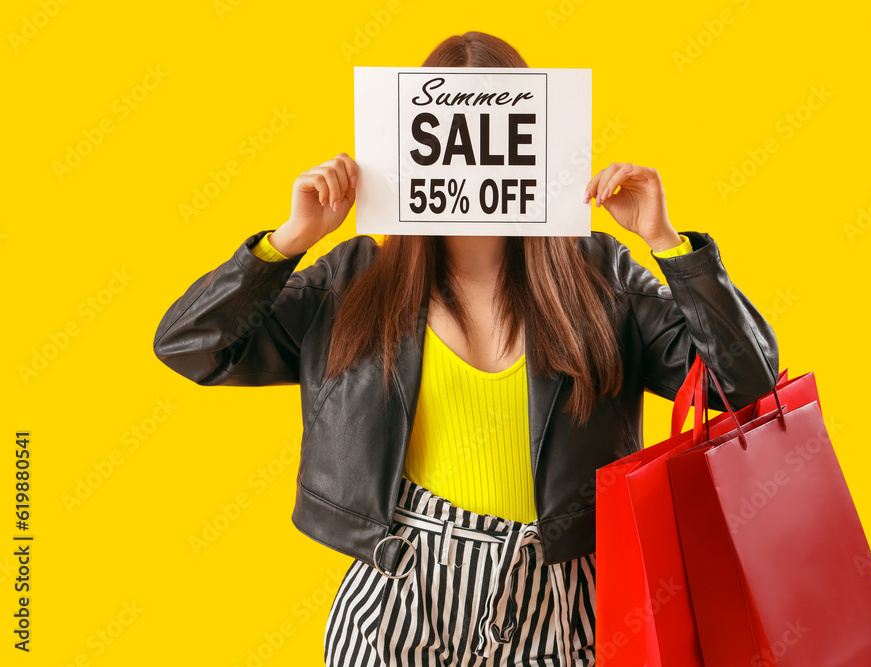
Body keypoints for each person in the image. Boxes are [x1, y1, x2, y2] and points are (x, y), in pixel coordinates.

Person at [153, 30, 779, 667]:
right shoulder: (352, 281)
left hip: (559, 605)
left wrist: (671, 245)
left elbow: (748, 383)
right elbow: (193, 345)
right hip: (398, 600)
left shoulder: (601, 275)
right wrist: (287, 241)